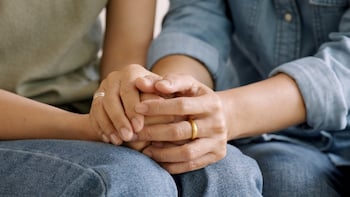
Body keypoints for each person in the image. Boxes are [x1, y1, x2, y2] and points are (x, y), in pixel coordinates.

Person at [0, 0, 262, 196]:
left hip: (85, 114)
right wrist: (92, 127)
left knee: (221, 169)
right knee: (131, 181)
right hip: (28, 126)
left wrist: (137, 111)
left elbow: (124, 68)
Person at [128, 0, 350, 196]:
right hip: (266, 137)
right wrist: (173, 96)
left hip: (336, 139)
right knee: (279, 177)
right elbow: (194, 24)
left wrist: (228, 113)